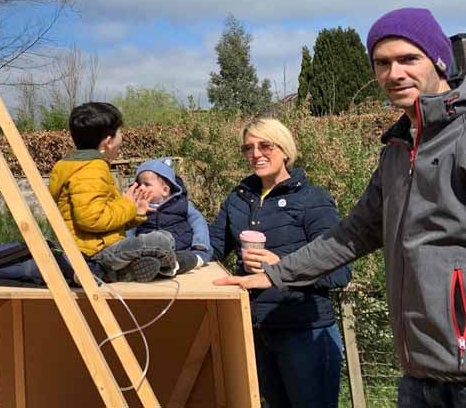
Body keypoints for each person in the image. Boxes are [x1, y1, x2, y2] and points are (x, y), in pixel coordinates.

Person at [216, 8, 464, 408]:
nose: (394, 73)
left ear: (437, 61)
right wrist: (275, 275)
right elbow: (351, 235)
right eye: (382, 63)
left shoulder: (461, 136)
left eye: (408, 59)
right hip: (419, 373)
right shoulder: (398, 152)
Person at [209, 117, 350, 408]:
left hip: (305, 332)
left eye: (265, 145)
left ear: (284, 149)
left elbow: (340, 272)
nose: (256, 154)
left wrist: (281, 263)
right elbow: (210, 250)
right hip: (256, 329)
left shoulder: (313, 200)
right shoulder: (238, 199)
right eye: (248, 148)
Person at [49, 102, 198, 283]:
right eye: (120, 132)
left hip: (95, 248)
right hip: (92, 255)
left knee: (158, 242)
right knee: (162, 240)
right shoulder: (91, 169)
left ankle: (123, 273)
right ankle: (169, 267)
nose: (123, 137)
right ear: (108, 141)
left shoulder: (73, 166)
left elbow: (106, 220)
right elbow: (92, 220)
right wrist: (128, 206)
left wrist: (136, 213)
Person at [128, 158, 212, 261]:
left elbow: (198, 222)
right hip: (149, 253)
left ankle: (190, 260)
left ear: (165, 190)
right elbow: (130, 230)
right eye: (139, 184)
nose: (141, 188)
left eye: (146, 184)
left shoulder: (181, 204)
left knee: (191, 258)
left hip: (181, 250)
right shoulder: (137, 208)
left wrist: (200, 243)